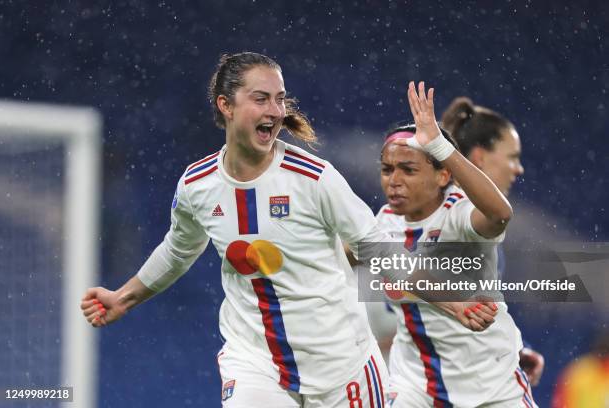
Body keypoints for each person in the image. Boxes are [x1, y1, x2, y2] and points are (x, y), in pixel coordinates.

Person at [79, 52, 492, 407]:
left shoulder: (314, 178)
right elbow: (178, 249)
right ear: (226, 105)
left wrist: (453, 302)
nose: (275, 111)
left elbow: (376, 248)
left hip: (341, 366)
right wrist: (123, 297)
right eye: (261, 99)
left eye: (279, 100)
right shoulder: (197, 185)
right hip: (256, 362)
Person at [375, 82, 537, 407]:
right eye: (387, 169)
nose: (394, 179)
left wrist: (439, 143)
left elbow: (500, 214)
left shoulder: (459, 214)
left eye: (407, 169)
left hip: (493, 386)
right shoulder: (383, 222)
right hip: (417, 386)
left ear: (442, 176)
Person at [441, 97, 545, 387]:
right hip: (438, 381)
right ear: (480, 157)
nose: (518, 168)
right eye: (512, 156)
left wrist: (513, 349)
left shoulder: (477, 224)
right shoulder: (445, 216)